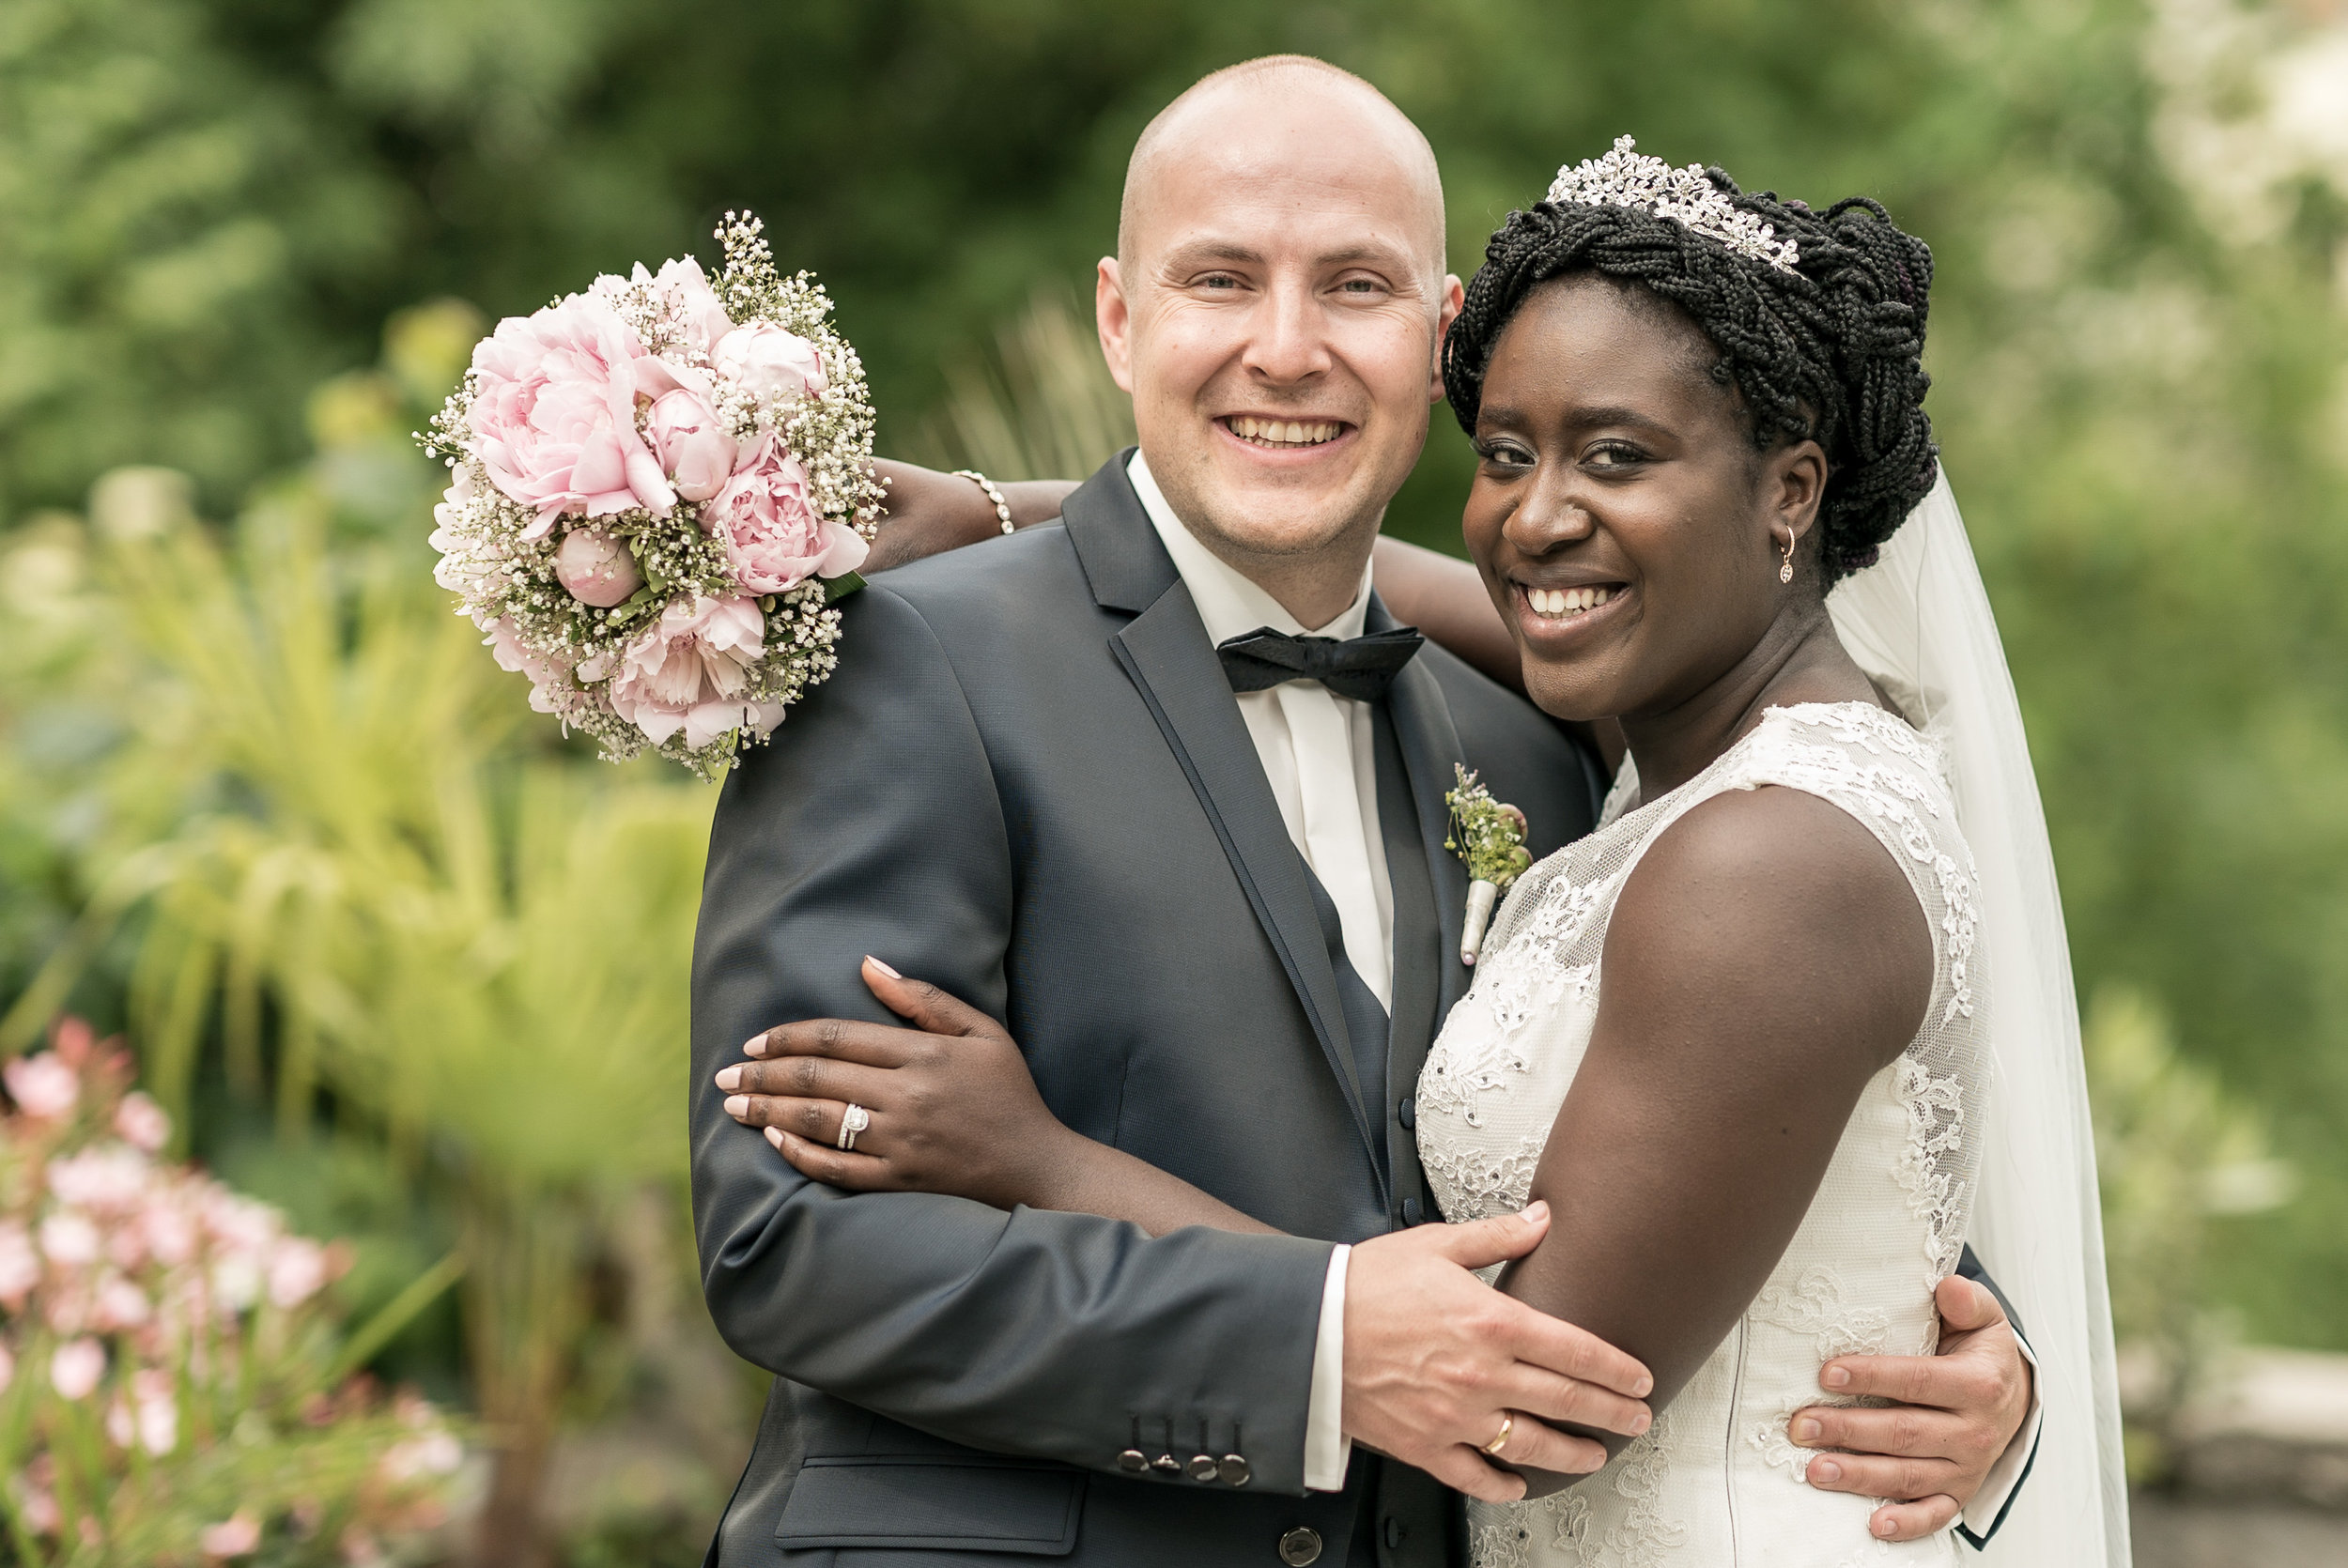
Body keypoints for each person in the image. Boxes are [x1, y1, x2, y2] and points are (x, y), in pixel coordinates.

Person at [692, 60, 2047, 1568]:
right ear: (1119, 319)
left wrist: (1970, 1361)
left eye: (1353, 285)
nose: (1287, 348)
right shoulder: (904, 658)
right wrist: (1322, 1342)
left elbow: (1727, 1133)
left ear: (1436, 331)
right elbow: (792, 1244)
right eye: (1220, 279)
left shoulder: (1534, 740)